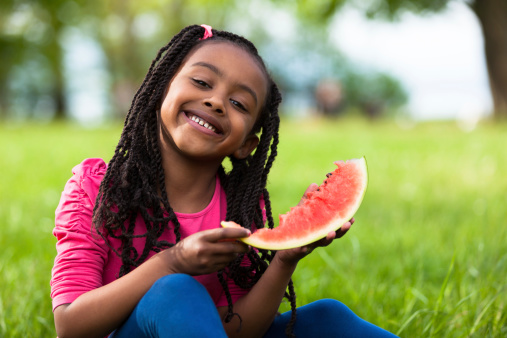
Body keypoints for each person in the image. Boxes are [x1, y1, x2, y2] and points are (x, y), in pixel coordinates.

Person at [50, 24, 397, 338]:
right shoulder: (94, 189)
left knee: (327, 317)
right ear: (160, 88)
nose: (216, 101)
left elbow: (239, 331)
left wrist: (284, 260)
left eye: (238, 103)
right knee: (175, 291)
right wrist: (173, 262)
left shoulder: (240, 209)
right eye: (201, 82)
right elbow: (70, 326)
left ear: (247, 144)